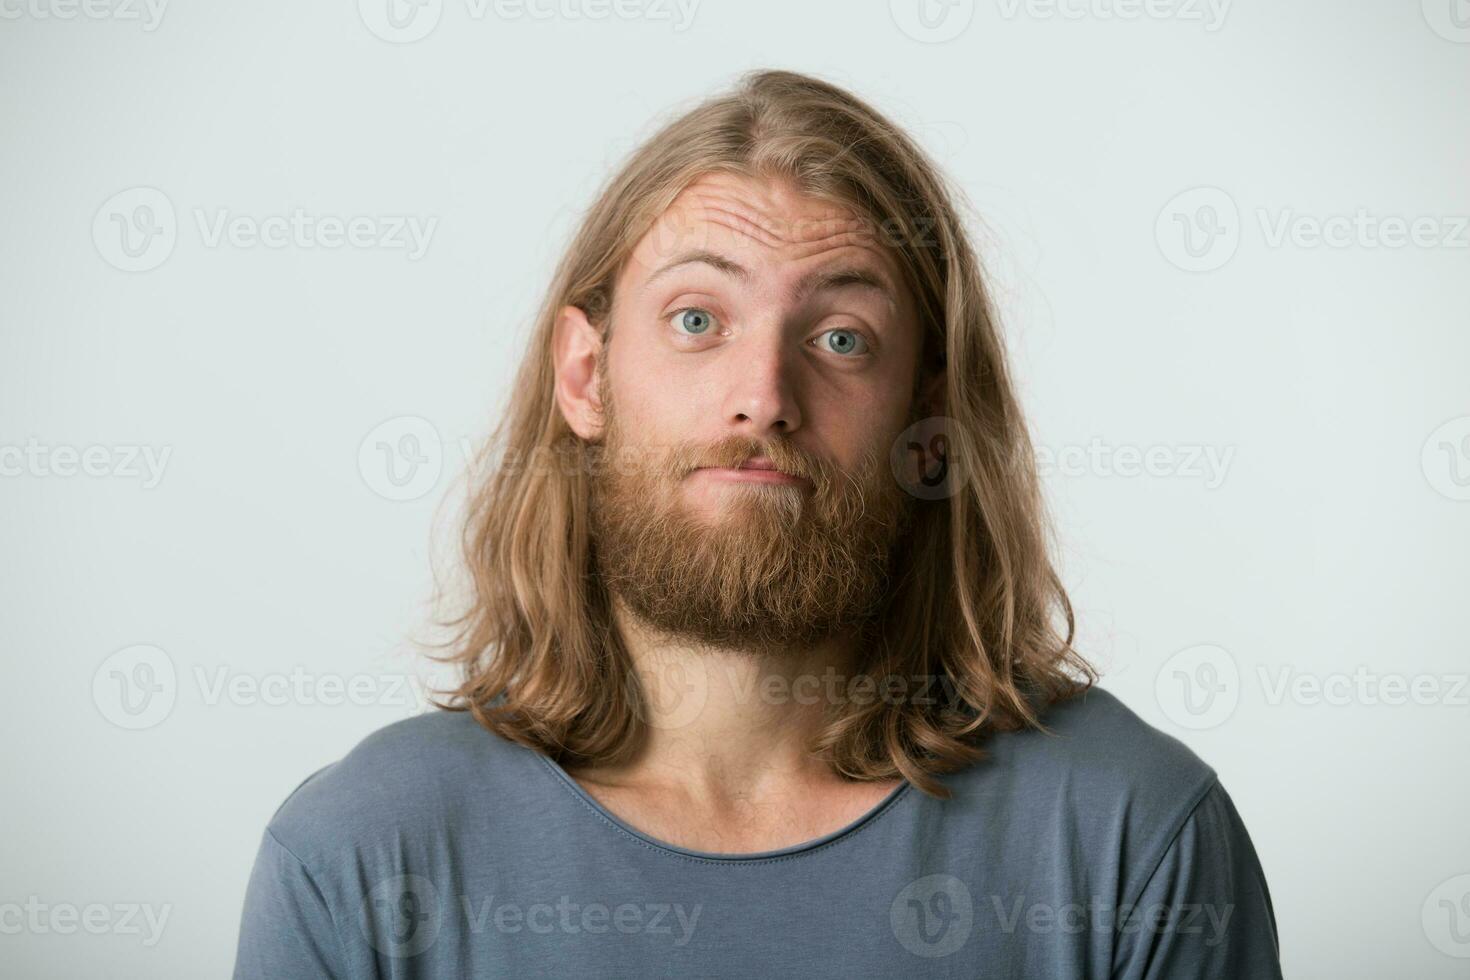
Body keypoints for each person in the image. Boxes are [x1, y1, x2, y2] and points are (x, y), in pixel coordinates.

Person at [233, 68, 1282, 978]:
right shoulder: (364, 852)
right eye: (697, 319)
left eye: (839, 336)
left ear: (928, 421)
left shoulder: (1131, 836)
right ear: (586, 375)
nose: (764, 396)